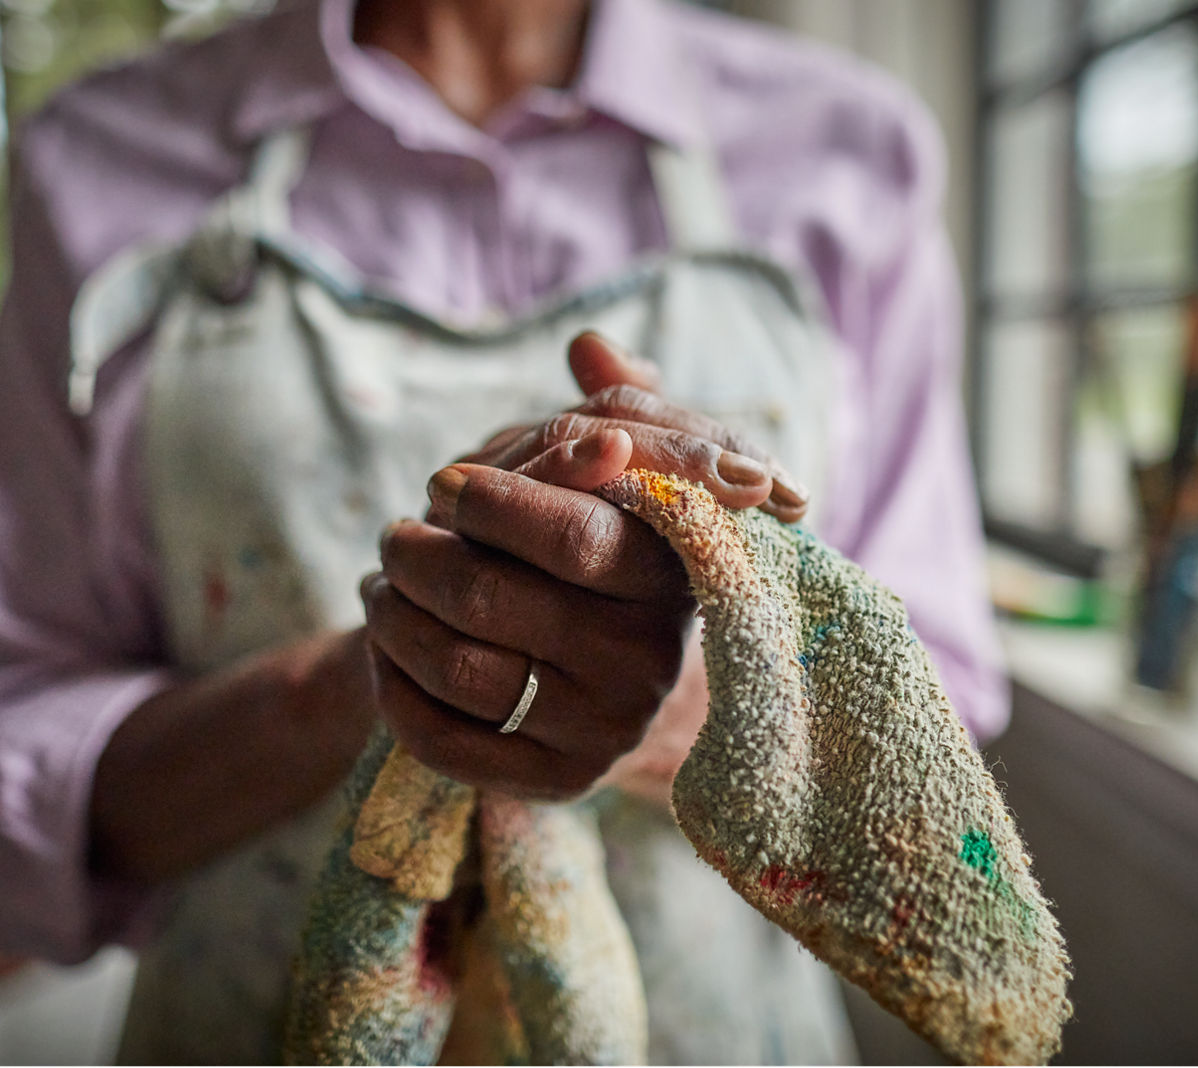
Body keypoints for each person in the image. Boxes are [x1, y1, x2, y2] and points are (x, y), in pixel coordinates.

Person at [0, 0, 1008, 1061]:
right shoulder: (95, 153)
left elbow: (935, 697)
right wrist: (376, 681)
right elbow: (24, 722)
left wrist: (672, 691)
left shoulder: (848, 148)